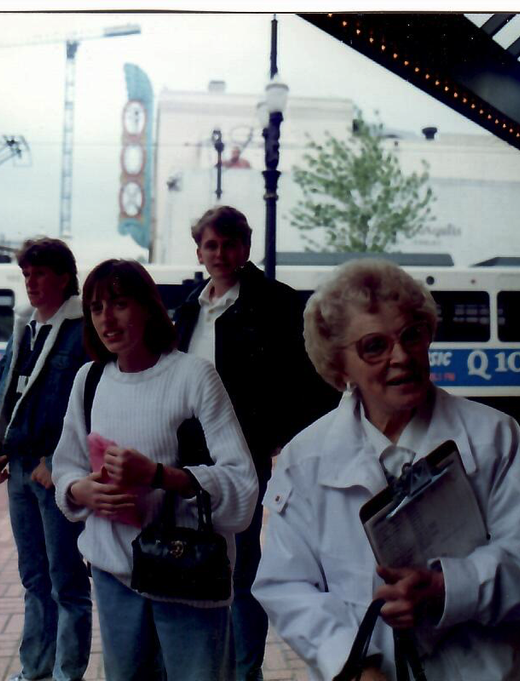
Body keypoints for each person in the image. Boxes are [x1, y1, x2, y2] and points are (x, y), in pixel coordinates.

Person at [252, 259, 520, 681]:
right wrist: (354, 665)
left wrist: (447, 587)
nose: (401, 357)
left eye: (411, 335)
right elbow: (286, 585)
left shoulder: (493, 436)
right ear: (339, 365)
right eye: (375, 346)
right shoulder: (305, 459)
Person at [51, 259, 258, 681]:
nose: (106, 319)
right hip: (113, 575)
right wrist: (79, 491)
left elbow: (242, 483)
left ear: (148, 307)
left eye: (119, 304)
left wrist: (160, 476)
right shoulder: (90, 380)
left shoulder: (194, 376)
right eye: (96, 308)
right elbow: (66, 467)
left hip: (187, 575)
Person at [172, 205, 339, 681]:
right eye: (210, 245)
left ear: (245, 247)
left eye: (230, 244)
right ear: (199, 252)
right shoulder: (189, 308)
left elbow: (313, 379)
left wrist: (275, 437)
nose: (220, 253)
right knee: (196, 566)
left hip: (243, 454)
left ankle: (247, 672)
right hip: (189, 457)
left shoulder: (277, 303)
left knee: (242, 567)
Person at [0, 238, 92, 681]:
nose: (30, 282)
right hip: (20, 468)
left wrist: (57, 460)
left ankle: (67, 674)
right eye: (26, 274)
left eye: (41, 273)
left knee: (66, 580)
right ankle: (35, 671)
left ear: (64, 277)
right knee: (34, 577)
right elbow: (5, 390)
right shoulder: (25, 328)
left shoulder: (81, 331)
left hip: (55, 472)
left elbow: (90, 404)